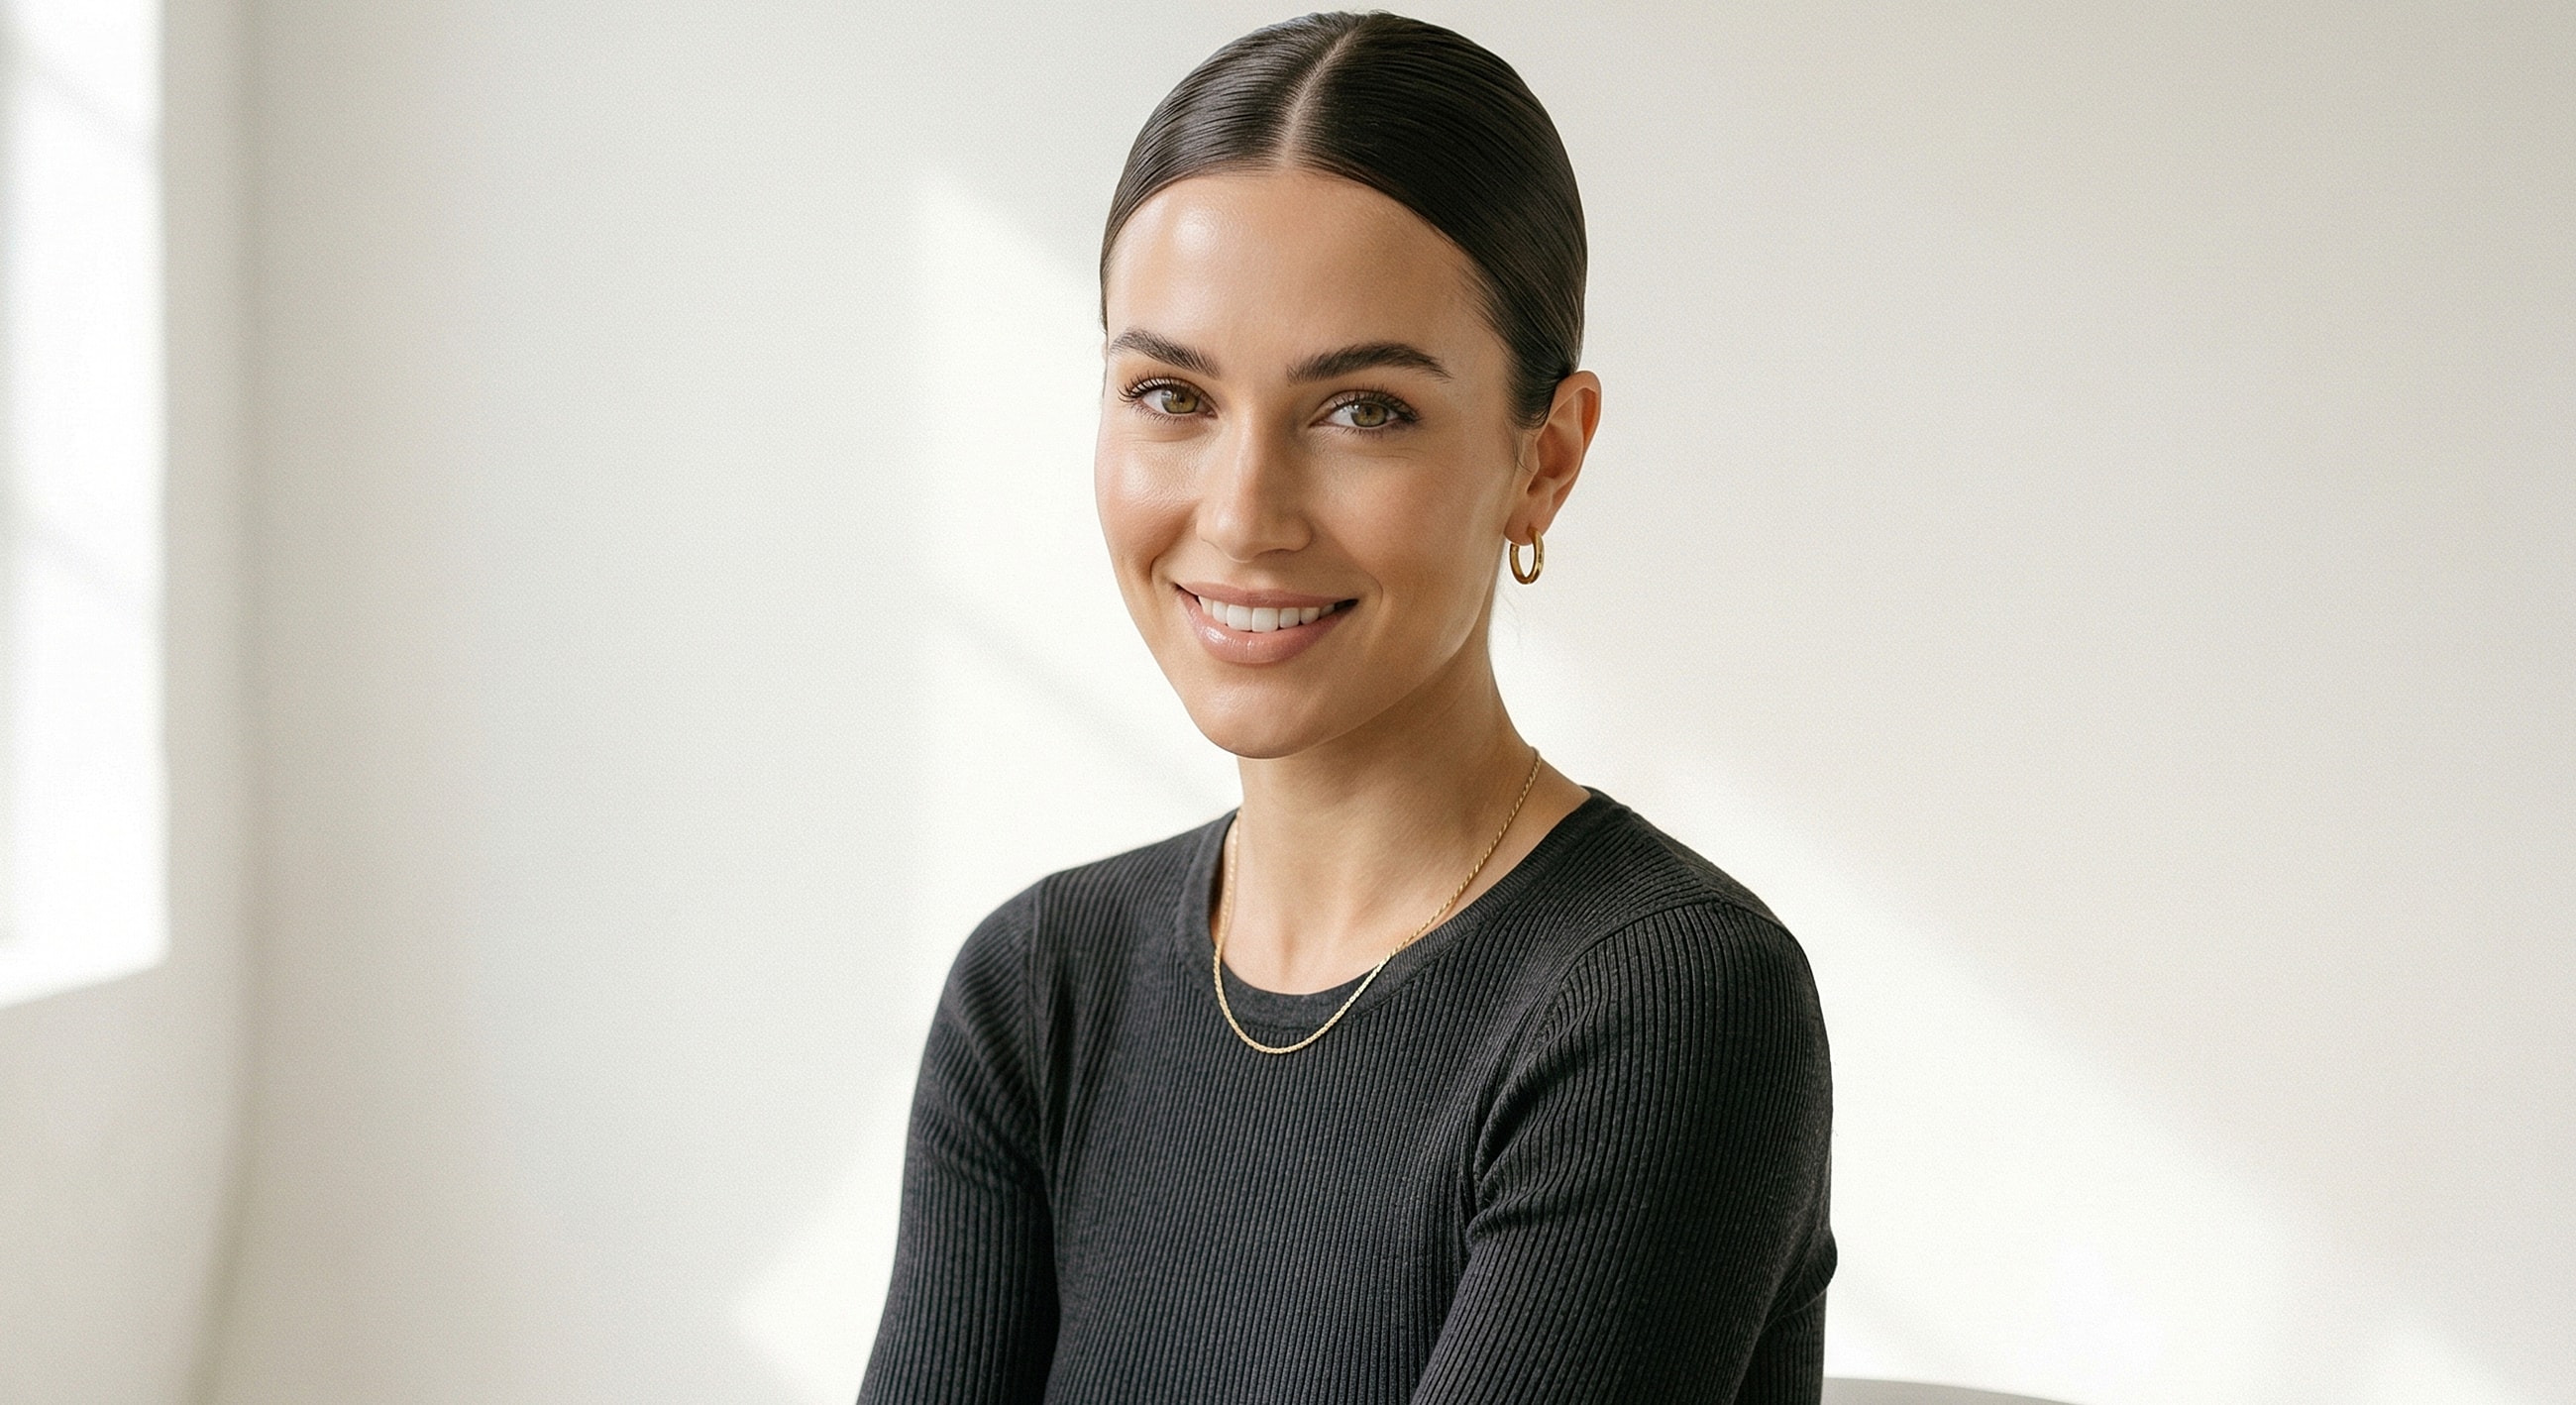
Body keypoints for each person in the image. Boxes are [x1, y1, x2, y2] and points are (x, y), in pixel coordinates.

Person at [859, 13, 1833, 1403]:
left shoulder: (1661, 1003)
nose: (1241, 514)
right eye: (1170, 393)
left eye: (1362, 409)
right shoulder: (1040, 988)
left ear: (1544, 462)